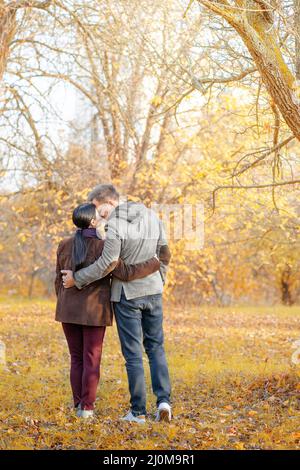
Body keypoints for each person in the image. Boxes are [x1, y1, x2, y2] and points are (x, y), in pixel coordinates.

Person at [62, 185, 172, 424]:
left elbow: (109, 263)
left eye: (99, 210)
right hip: (153, 292)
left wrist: (77, 279)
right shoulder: (152, 216)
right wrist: (159, 280)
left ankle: (138, 412)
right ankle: (164, 401)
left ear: (109, 203)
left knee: (133, 354)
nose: (99, 217)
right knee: (156, 349)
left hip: (126, 296)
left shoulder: (115, 225)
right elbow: (164, 253)